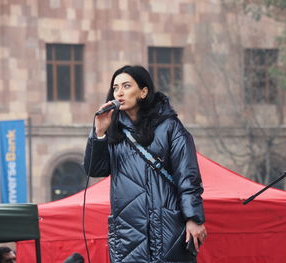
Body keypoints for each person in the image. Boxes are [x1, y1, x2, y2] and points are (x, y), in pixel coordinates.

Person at [84, 65, 206, 262]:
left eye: (126, 86)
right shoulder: (113, 131)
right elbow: (95, 169)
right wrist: (99, 133)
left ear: (143, 91)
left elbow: (187, 176)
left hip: (166, 227)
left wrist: (193, 218)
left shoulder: (170, 127)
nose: (119, 92)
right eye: (115, 88)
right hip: (127, 233)